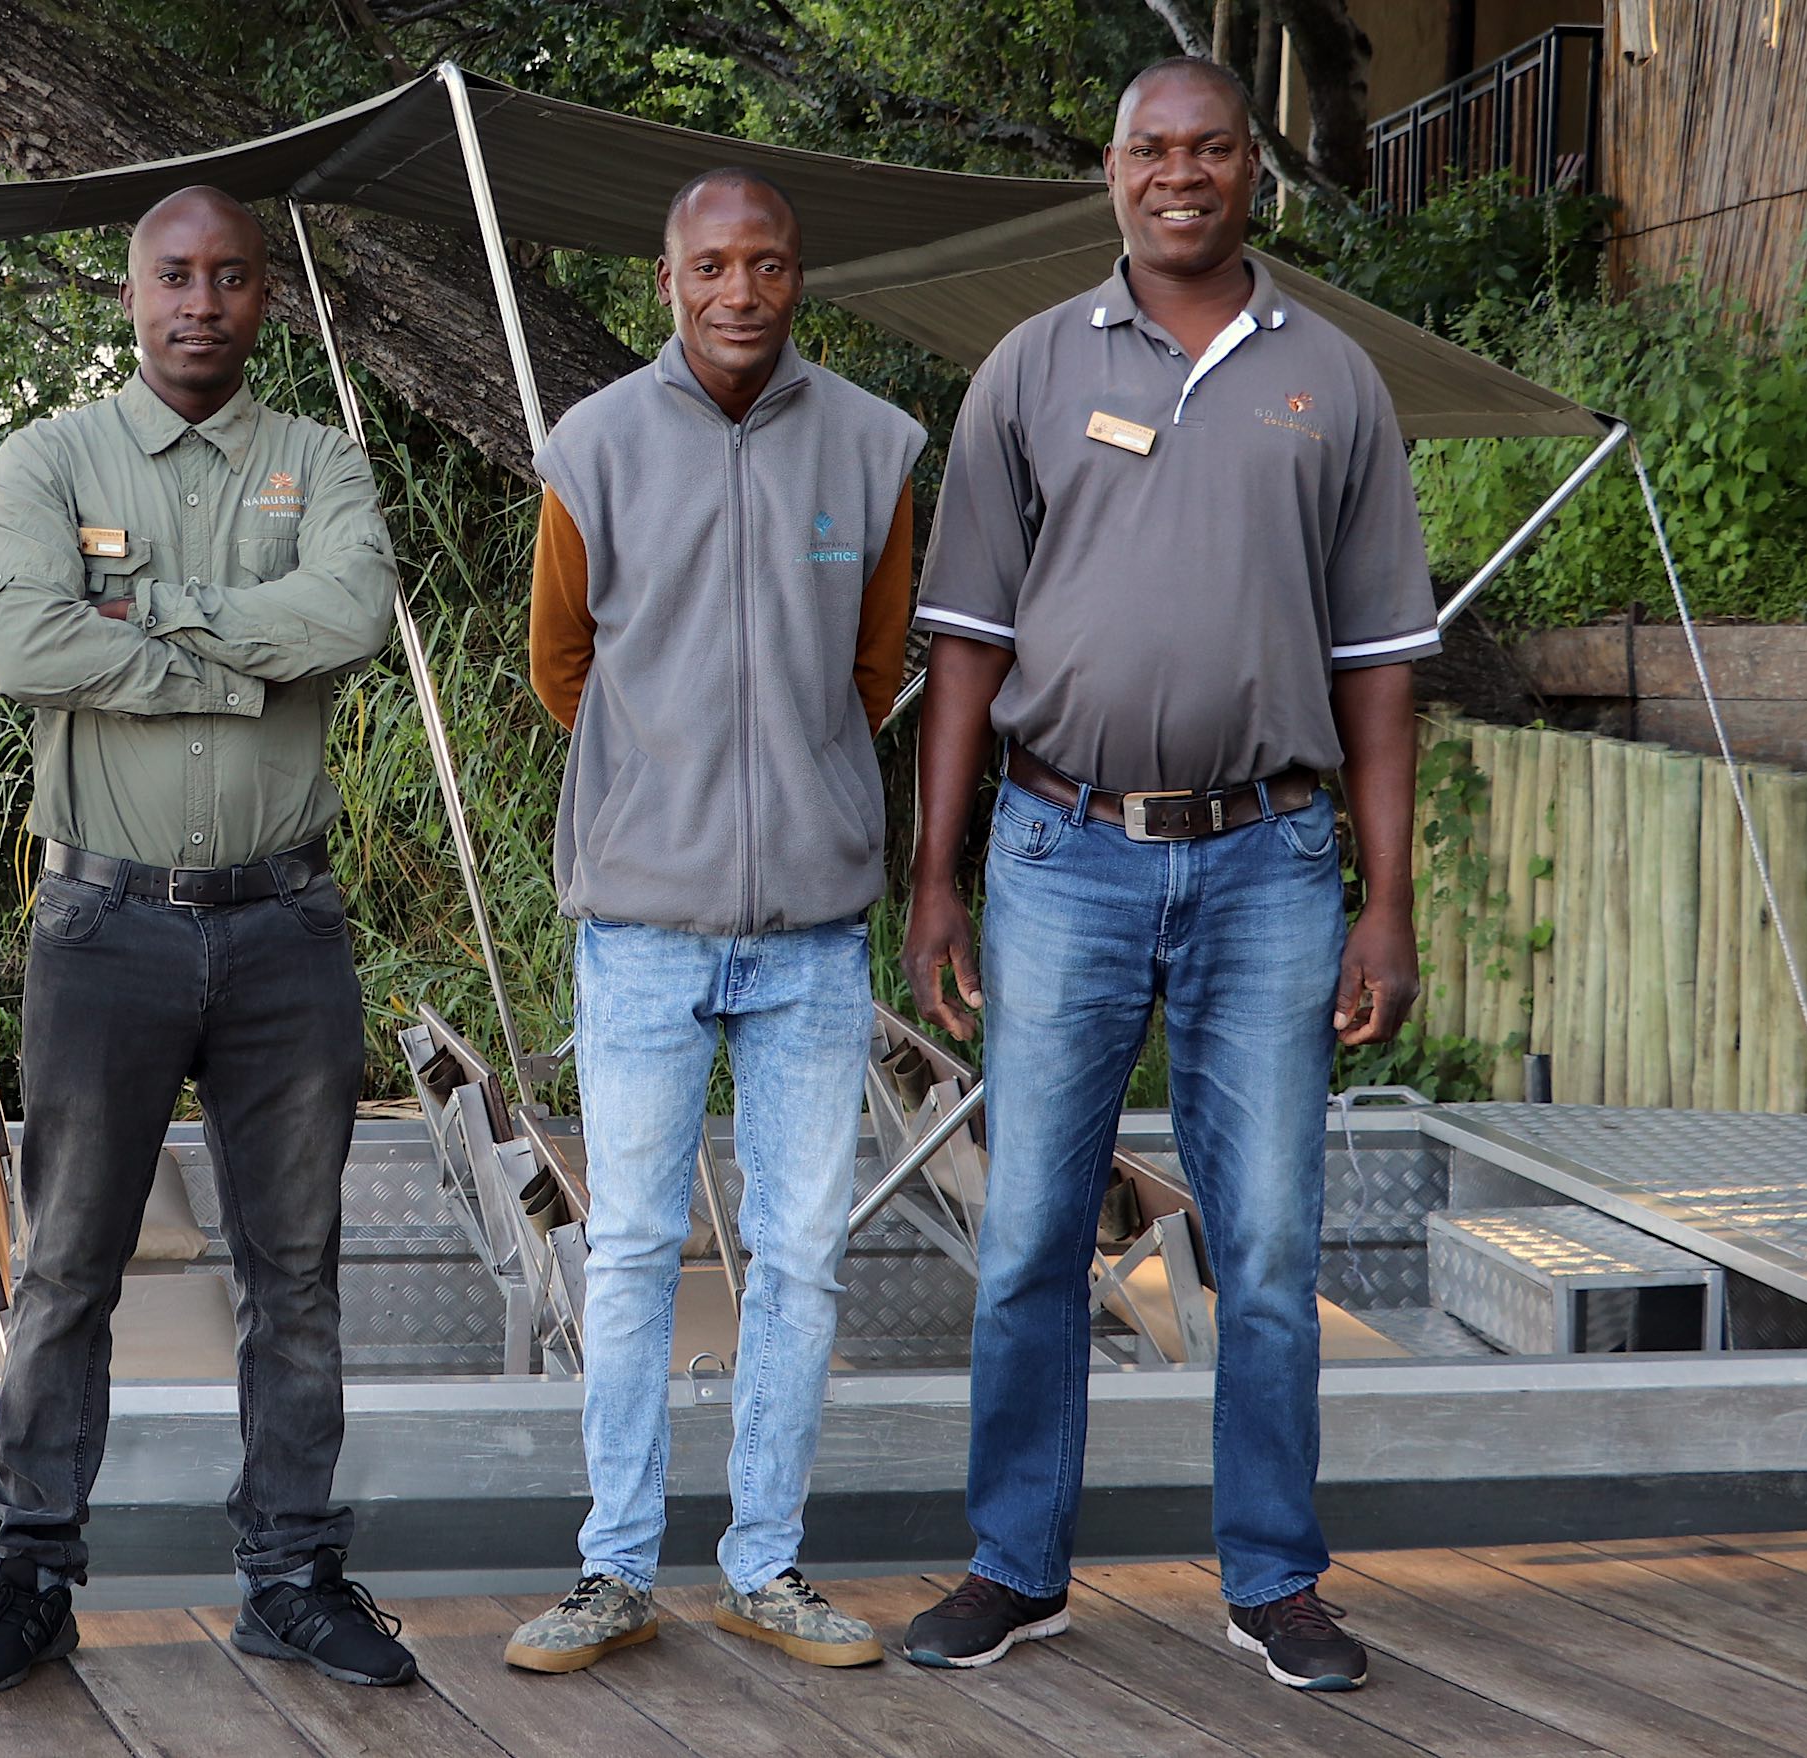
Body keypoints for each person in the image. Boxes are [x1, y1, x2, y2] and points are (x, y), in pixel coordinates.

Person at [894, 60, 1435, 1692]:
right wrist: (939, 876)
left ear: (1249, 173)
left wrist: (1386, 900)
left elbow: (1383, 673)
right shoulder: (1029, 368)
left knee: (1267, 1239)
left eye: (1211, 149)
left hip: (1270, 859)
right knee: (1035, 1229)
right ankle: (1016, 1565)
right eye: (1152, 150)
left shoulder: (1330, 379)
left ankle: (1274, 1580)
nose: (1180, 174)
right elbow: (965, 648)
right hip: (1060, 852)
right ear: (1111, 170)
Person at [0, 186, 411, 1692]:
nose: (200, 302)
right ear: (130, 292)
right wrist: (235, 660)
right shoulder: (48, 458)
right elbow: (29, 643)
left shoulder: (317, 458)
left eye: (229, 277)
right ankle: (31, 1571)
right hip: (103, 923)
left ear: (265, 296)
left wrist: (151, 611)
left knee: (299, 1271)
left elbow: (352, 614)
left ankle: (291, 1571)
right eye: (173, 277)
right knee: (68, 1263)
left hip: (287, 923)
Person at [500, 169, 924, 1676]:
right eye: (711, 265)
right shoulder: (594, 446)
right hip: (644, 921)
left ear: (798, 277)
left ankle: (766, 1565)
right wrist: (661, 790)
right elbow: (566, 661)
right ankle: (613, 1568)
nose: (741, 290)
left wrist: (800, 790)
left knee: (802, 1252)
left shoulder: (873, 450)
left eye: (769, 264)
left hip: (814, 928)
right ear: (664, 278)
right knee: (629, 1248)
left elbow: (873, 670)